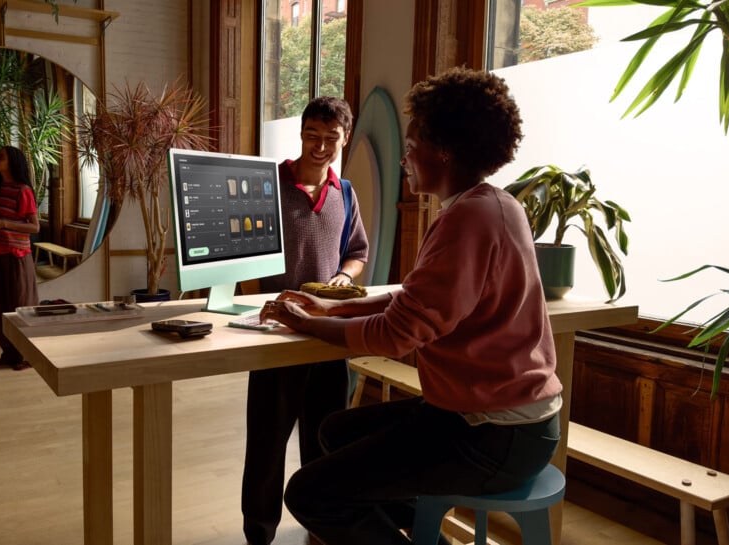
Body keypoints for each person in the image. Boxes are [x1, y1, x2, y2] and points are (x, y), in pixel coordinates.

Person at [259, 68, 564, 545]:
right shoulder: (492, 204)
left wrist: (308, 323)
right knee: (336, 431)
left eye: (413, 141)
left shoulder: (467, 219)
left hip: (493, 435)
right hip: (496, 418)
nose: (405, 155)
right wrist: (329, 307)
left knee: (310, 494)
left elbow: (396, 334)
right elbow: (414, 299)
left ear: (442, 149)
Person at [241, 96, 369, 545]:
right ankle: (259, 533)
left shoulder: (345, 193)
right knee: (267, 444)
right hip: (275, 334)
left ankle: (320, 527)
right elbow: (240, 251)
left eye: (330, 138)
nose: (320, 146)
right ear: (301, 133)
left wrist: (341, 277)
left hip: (328, 337)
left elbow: (356, 253)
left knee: (324, 440)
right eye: (312, 135)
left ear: (344, 138)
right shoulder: (268, 185)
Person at [0, 146, 40, 371]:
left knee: (20, 307)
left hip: (17, 257)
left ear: (13, 162)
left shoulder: (22, 190)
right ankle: (8, 352)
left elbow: (34, 226)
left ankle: (26, 356)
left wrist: (2, 223)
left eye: (1, 157)